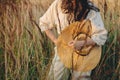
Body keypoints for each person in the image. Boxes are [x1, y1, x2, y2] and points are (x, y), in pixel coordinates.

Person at [39, 0, 108, 80]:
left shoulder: (90, 9)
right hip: (63, 51)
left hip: (84, 53)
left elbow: (101, 35)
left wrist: (82, 43)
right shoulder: (58, 4)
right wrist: (56, 41)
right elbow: (44, 23)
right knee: (57, 77)